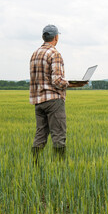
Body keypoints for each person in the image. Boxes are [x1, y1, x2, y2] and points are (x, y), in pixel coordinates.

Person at [29, 24, 85, 164]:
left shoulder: (34, 54)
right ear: (56, 37)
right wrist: (74, 84)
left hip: (38, 101)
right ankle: (59, 168)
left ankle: (34, 165)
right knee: (59, 135)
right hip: (53, 101)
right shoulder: (54, 54)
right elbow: (57, 80)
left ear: (44, 37)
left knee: (40, 134)